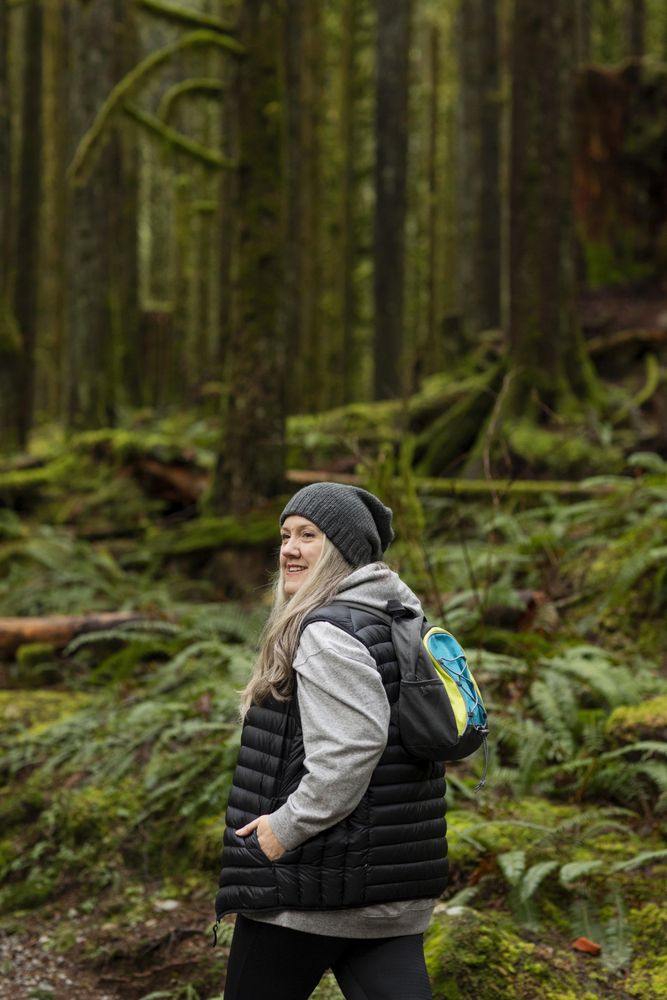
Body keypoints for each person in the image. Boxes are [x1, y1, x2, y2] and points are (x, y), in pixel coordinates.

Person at [214, 483, 447, 1000]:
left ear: (340, 549)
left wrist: (283, 829)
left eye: (308, 536)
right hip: (386, 886)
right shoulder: (395, 616)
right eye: (285, 535)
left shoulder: (328, 632)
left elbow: (351, 750)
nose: (289, 549)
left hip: (311, 886)